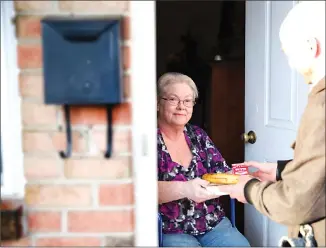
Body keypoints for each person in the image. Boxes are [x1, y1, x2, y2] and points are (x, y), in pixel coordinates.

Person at [217, 1, 325, 246]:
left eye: (289, 53)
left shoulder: (322, 104)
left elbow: (295, 202)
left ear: (311, 46)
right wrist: (278, 171)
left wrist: (247, 188)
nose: (290, 64)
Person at [157, 72, 250, 247]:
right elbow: (141, 190)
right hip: (171, 229)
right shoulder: (149, 141)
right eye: (173, 99)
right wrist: (185, 189)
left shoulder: (198, 135)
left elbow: (222, 171)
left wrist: (245, 177)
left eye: (187, 100)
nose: (181, 106)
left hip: (213, 223)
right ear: (157, 103)